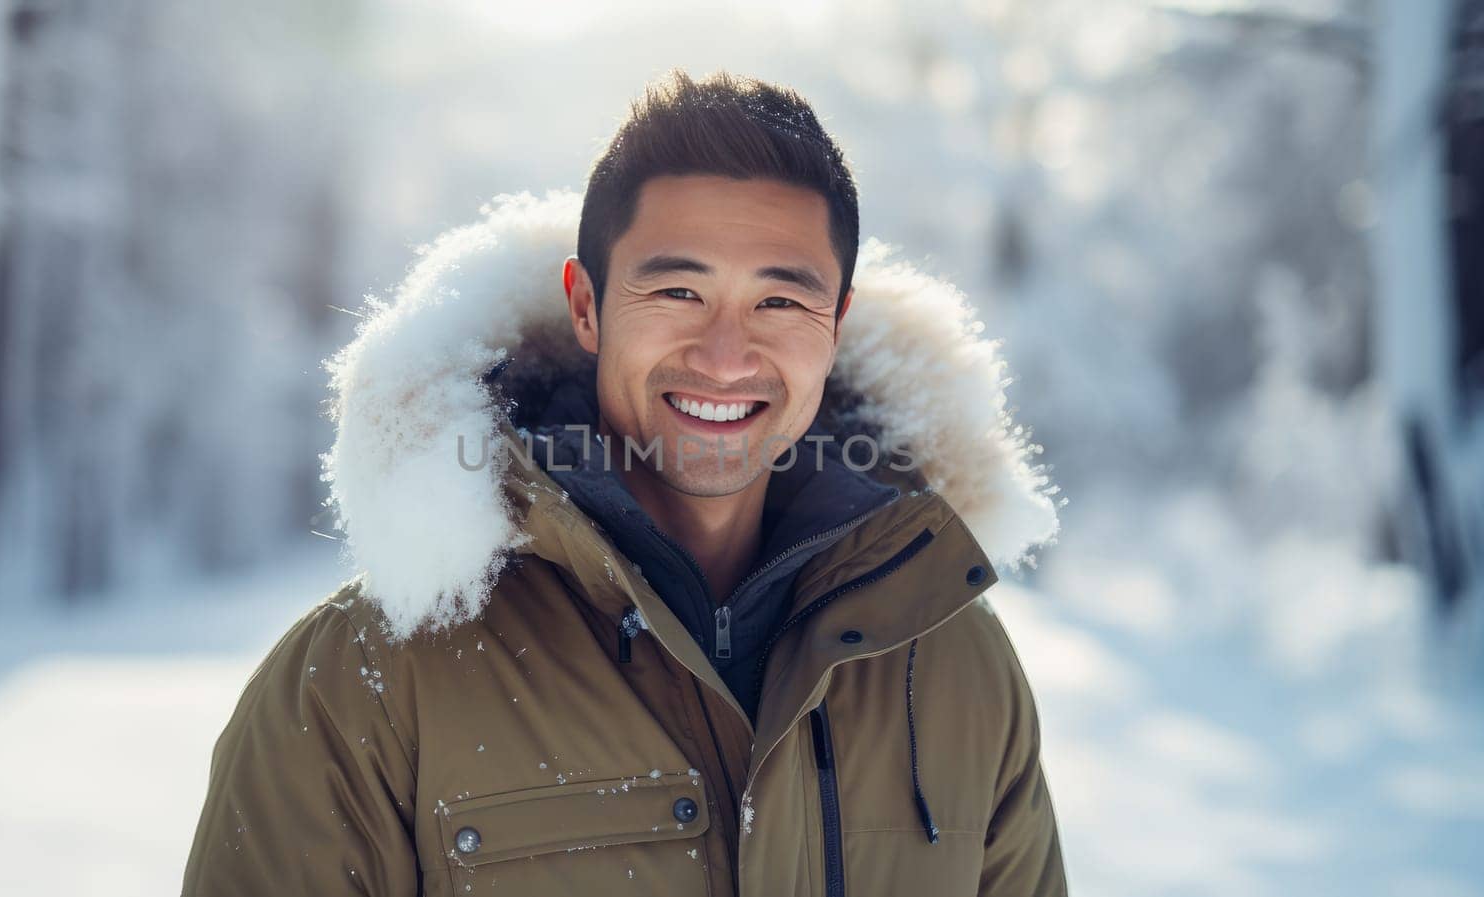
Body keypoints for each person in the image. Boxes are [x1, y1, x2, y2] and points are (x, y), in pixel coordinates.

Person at [182, 67, 1067, 896]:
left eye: (780, 301)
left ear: (834, 325)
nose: (726, 357)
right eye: (678, 292)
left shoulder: (954, 663)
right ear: (586, 307)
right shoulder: (366, 677)